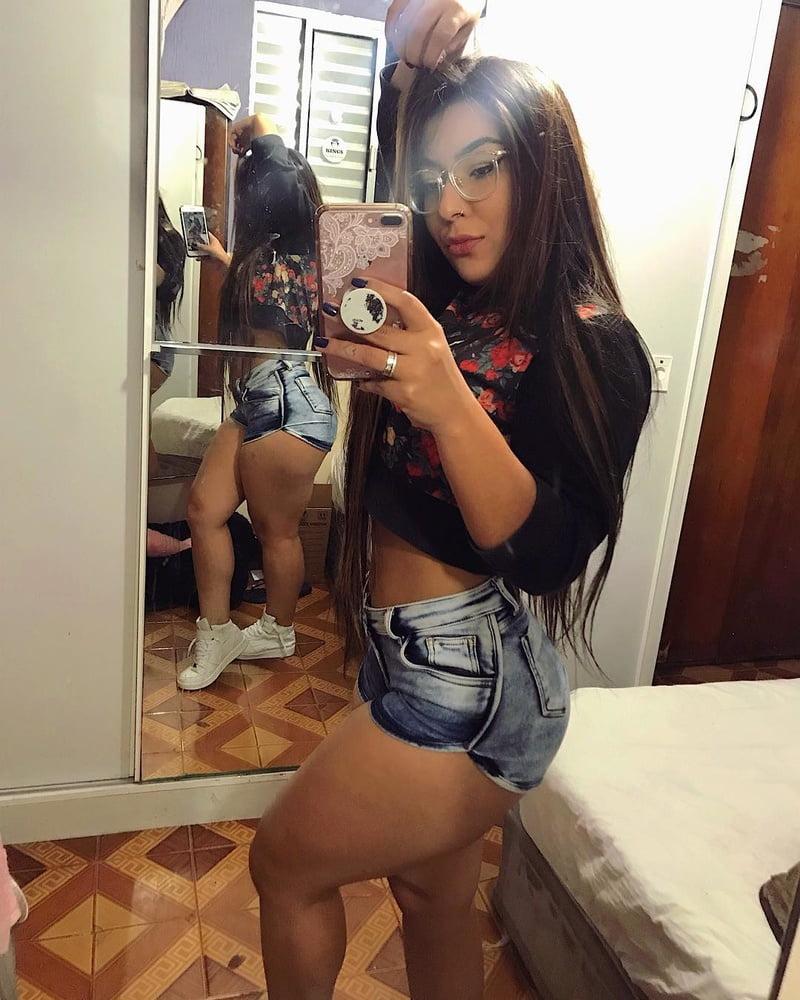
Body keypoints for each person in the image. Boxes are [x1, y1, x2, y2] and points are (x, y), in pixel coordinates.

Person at [244, 3, 653, 998]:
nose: (449, 205)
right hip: (407, 650)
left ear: (543, 167)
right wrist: (407, 74)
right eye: (433, 182)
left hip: (469, 680)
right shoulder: (455, 302)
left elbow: (550, 552)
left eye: (483, 169)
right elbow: (405, 153)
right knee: (431, 899)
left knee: (284, 864)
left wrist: (445, 401)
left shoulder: (593, 340)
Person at [177, 114, 337, 692]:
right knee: (204, 510)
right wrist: (225, 259)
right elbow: (269, 305)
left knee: (277, 532)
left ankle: (278, 630)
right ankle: (217, 632)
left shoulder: (302, 245)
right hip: (261, 399)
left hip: (289, 401)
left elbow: (276, 161)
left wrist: (254, 128)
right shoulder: (275, 258)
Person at [149, 197, 187, 475]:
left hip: (154, 350)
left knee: (131, 423)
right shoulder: (164, 240)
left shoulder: (164, 241)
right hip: (158, 349)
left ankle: (144, 491)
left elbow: (158, 279)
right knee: (134, 423)